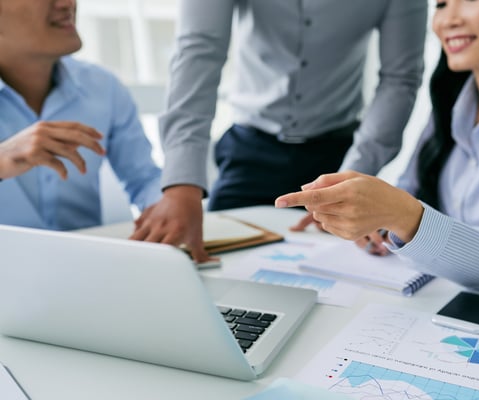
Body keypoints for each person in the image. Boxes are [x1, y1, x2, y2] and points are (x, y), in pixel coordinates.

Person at [274, 0, 479, 293]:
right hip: (441, 298)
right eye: (441, 3)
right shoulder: (451, 103)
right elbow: (410, 190)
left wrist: (400, 213)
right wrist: (370, 220)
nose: (448, 19)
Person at [130, 0, 427, 262]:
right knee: (210, 266)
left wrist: (355, 174)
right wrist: (182, 185)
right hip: (249, 150)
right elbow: (198, 51)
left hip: (341, 158)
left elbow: (399, 79)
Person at [0, 0, 162, 231]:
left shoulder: (104, 87)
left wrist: (169, 204)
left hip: (87, 261)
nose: (68, 3)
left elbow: (145, 179)